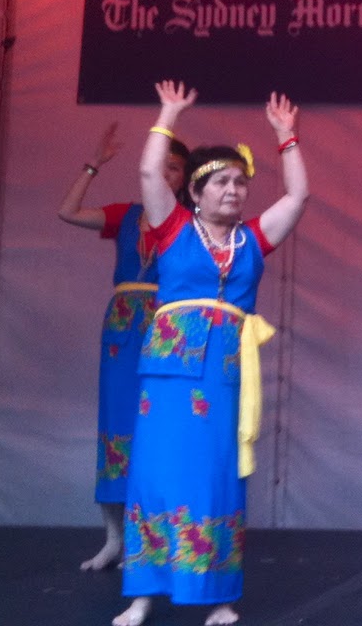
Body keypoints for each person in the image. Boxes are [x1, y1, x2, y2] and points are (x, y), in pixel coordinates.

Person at [113, 82, 310, 626]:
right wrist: (168, 115)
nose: (235, 191)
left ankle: (217, 595)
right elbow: (152, 173)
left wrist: (286, 138)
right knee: (155, 472)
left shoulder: (252, 240)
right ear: (196, 192)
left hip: (223, 371)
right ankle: (143, 594)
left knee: (217, 474)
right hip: (169, 373)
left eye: (241, 183)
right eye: (222, 182)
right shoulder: (173, 227)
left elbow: (296, 199)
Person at [59, 122, 191, 572]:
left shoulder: (191, 222)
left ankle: (162, 540)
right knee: (116, 425)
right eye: (162, 166)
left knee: (164, 428)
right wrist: (95, 162)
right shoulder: (127, 214)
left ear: (186, 178)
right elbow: (67, 211)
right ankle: (115, 538)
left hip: (169, 326)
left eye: (175, 169)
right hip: (123, 323)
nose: (166, 174)